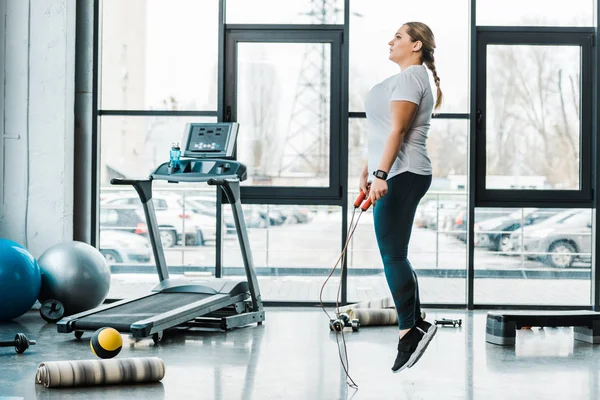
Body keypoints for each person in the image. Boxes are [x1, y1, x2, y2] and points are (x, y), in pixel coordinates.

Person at [359, 21, 443, 373]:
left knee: (393, 256)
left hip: (403, 173)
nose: (390, 41)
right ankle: (416, 323)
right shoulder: (405, 77)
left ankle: (409, 331)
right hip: (394, 172)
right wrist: (366, 172)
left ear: (416, 45)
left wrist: (381, 174)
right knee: (396, 255)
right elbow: (380, 131)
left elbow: (398, 130)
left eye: (398, 37)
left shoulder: (412, 77)